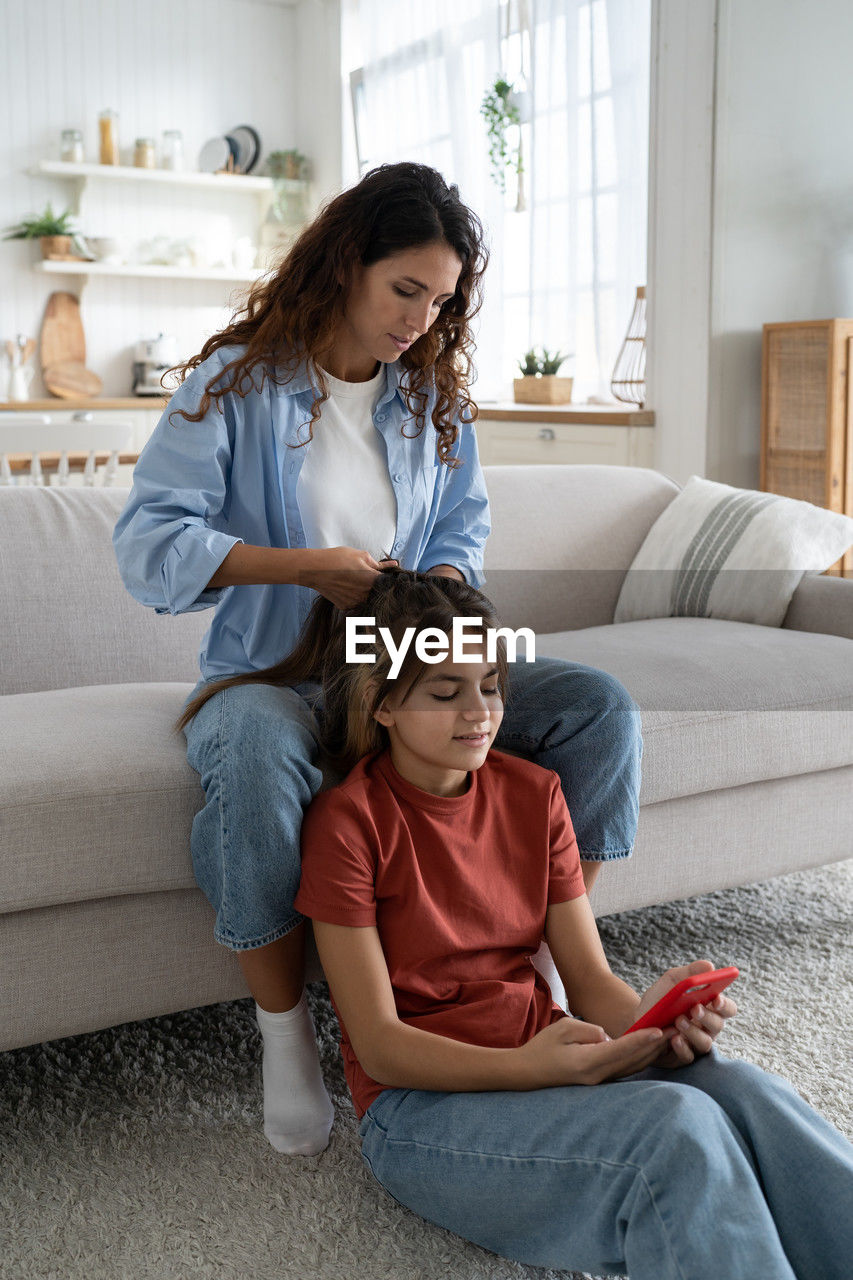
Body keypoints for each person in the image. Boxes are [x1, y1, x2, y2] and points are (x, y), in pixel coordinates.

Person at [113, 161, 641, 1158]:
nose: (420, 319)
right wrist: (308, 568)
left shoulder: (430, 400)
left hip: (403, 662)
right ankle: (285, 1038)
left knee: (595, 707)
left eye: (440, 300)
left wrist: (432, 583)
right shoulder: (232, 386)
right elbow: (150, 549)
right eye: (406, 289)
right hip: (269, 675)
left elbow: (464, 528)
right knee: (261, 755)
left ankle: (542, 973)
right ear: (345, 263)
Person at [284, 568, 850, 1280]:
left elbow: (588, 983)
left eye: (489, 685)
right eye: (444, 692)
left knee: (741, 1091)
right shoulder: (348, 824)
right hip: (421, 1112)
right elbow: (382, 1047)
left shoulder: (534, 794)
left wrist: (651, 1022)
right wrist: (530, 1069)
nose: (479, 713)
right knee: (674, 1133)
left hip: (543, 1062)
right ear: (384, 704)